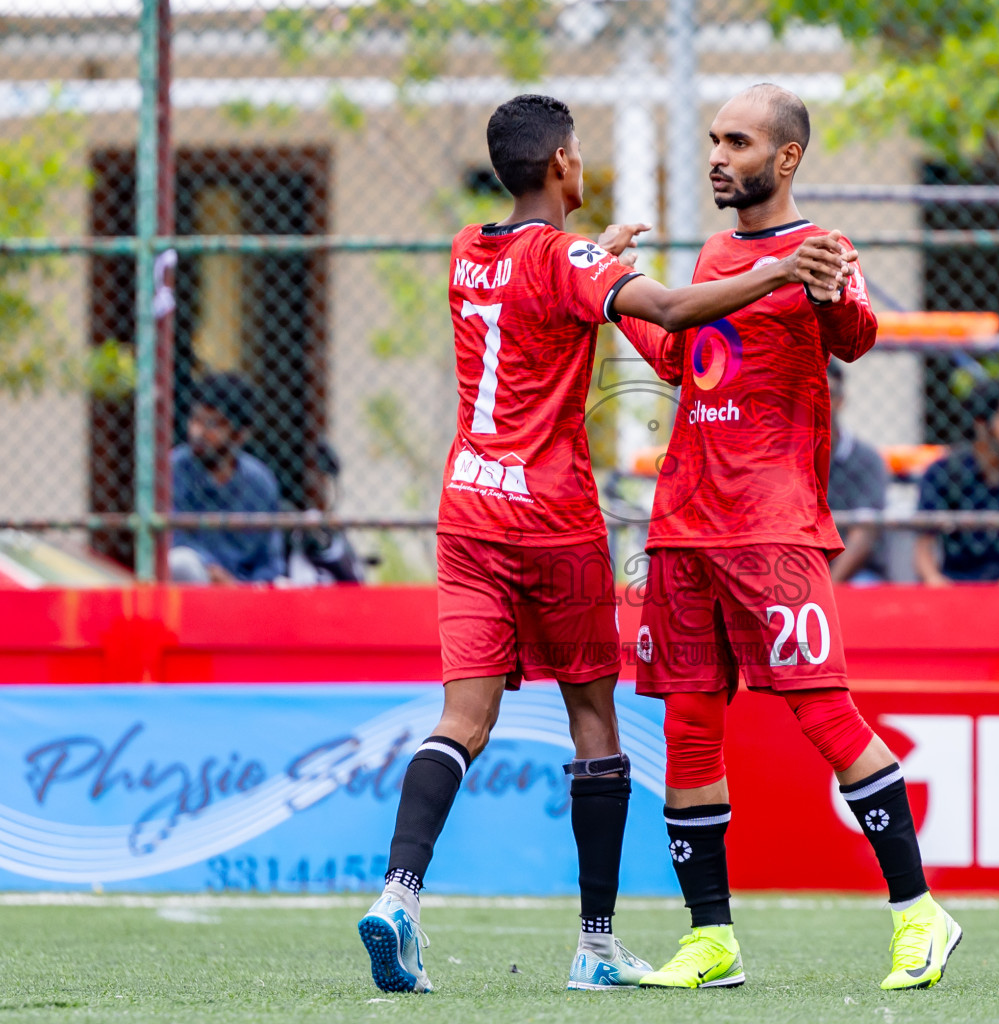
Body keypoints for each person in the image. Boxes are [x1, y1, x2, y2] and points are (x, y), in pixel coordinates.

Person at [357, 93, 852, 995]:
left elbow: (550, 290)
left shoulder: (470, 250)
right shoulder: (569, 256)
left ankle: (399, 895)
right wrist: (777, 274)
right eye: (578, 153)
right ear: (560, 166)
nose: (584, 166)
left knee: (461, 721)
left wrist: (599, 265)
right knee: (594, 723)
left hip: (466, 510)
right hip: (552, 522)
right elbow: (666, 307)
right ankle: (595, 944)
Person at [617, 83, 959, 994]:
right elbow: (684, 358)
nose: (718, 155)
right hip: (684, 523)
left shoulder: (822, 248)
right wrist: (608, 292)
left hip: (771, 527)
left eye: (737, 141)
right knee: (689, 724)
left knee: (823, 710)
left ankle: (920, 913)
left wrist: (834, 289)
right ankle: (711, 940)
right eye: (714, 139)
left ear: (787, 157)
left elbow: (858, 337)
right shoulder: (716, 252)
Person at [914, 378, 999, 585]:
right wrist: (935, 582)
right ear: (981, 424)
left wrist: (993, 603)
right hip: (957, 587)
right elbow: (923, 547)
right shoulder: (944, 473)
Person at [169, 372, 284, 584]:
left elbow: (270, 561)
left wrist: (245, 588)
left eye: (213, 424)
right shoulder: (174, 468)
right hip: (199, 582)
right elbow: (174, 541)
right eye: (195, 420)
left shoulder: (260, 481)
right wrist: (213, 572)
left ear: (240, 434)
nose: (198, 432)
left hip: (245, 589)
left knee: (285, 585)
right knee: (180, 563)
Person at [826, 359, 890, 584]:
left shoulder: (866, 459)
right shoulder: (785, 455)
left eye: (829, 393)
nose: (821, 400)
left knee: (865, 584)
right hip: (800, 569)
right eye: (812, 391)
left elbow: (864, 533)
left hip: (855, 574)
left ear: (841, 400)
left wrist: (828, 587)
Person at [282, 439, 365, 585]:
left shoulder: (332, 529)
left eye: (324, 478)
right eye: (318, 476)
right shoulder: (285, 517)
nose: (322, 484)